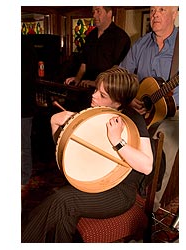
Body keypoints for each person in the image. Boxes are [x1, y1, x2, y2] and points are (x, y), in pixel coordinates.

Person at [22, 66, 153, 243]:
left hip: (119, 193)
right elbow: (69, 152)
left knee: (62, 200)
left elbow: (147, 167)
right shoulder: (95, 112)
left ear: (118, 102)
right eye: (96, 90)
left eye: (103, 95)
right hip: (92, 183)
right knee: (63, 216)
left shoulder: (133, 119)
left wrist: (117, 141)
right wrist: (56, 125)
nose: (94, 96)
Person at [119, 6, 179, 211]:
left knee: (162, 144)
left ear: (175, 14)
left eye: (162, 9)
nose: (155, 14)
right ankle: (120, 194)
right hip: (141, 111)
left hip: (174, 112)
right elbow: (122, 74)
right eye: (153, 10)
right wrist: (130, 96)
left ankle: (147, 210)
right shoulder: (141, 43)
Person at [64, 6, 131, 88]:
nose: (94, 15)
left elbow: (118, 69)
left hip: (107, 90)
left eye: (98, 11)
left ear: (109, 13)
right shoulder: (90, 36)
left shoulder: (121, 37)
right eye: (93, 12)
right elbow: (84, 64)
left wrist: (96, 83)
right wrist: (77, 80)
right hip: (86, 86)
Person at [21, 34, 37, 188]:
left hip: (23, 104)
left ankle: (23, 179)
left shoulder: (25, 44)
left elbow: (28, 76)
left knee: (23, 143)